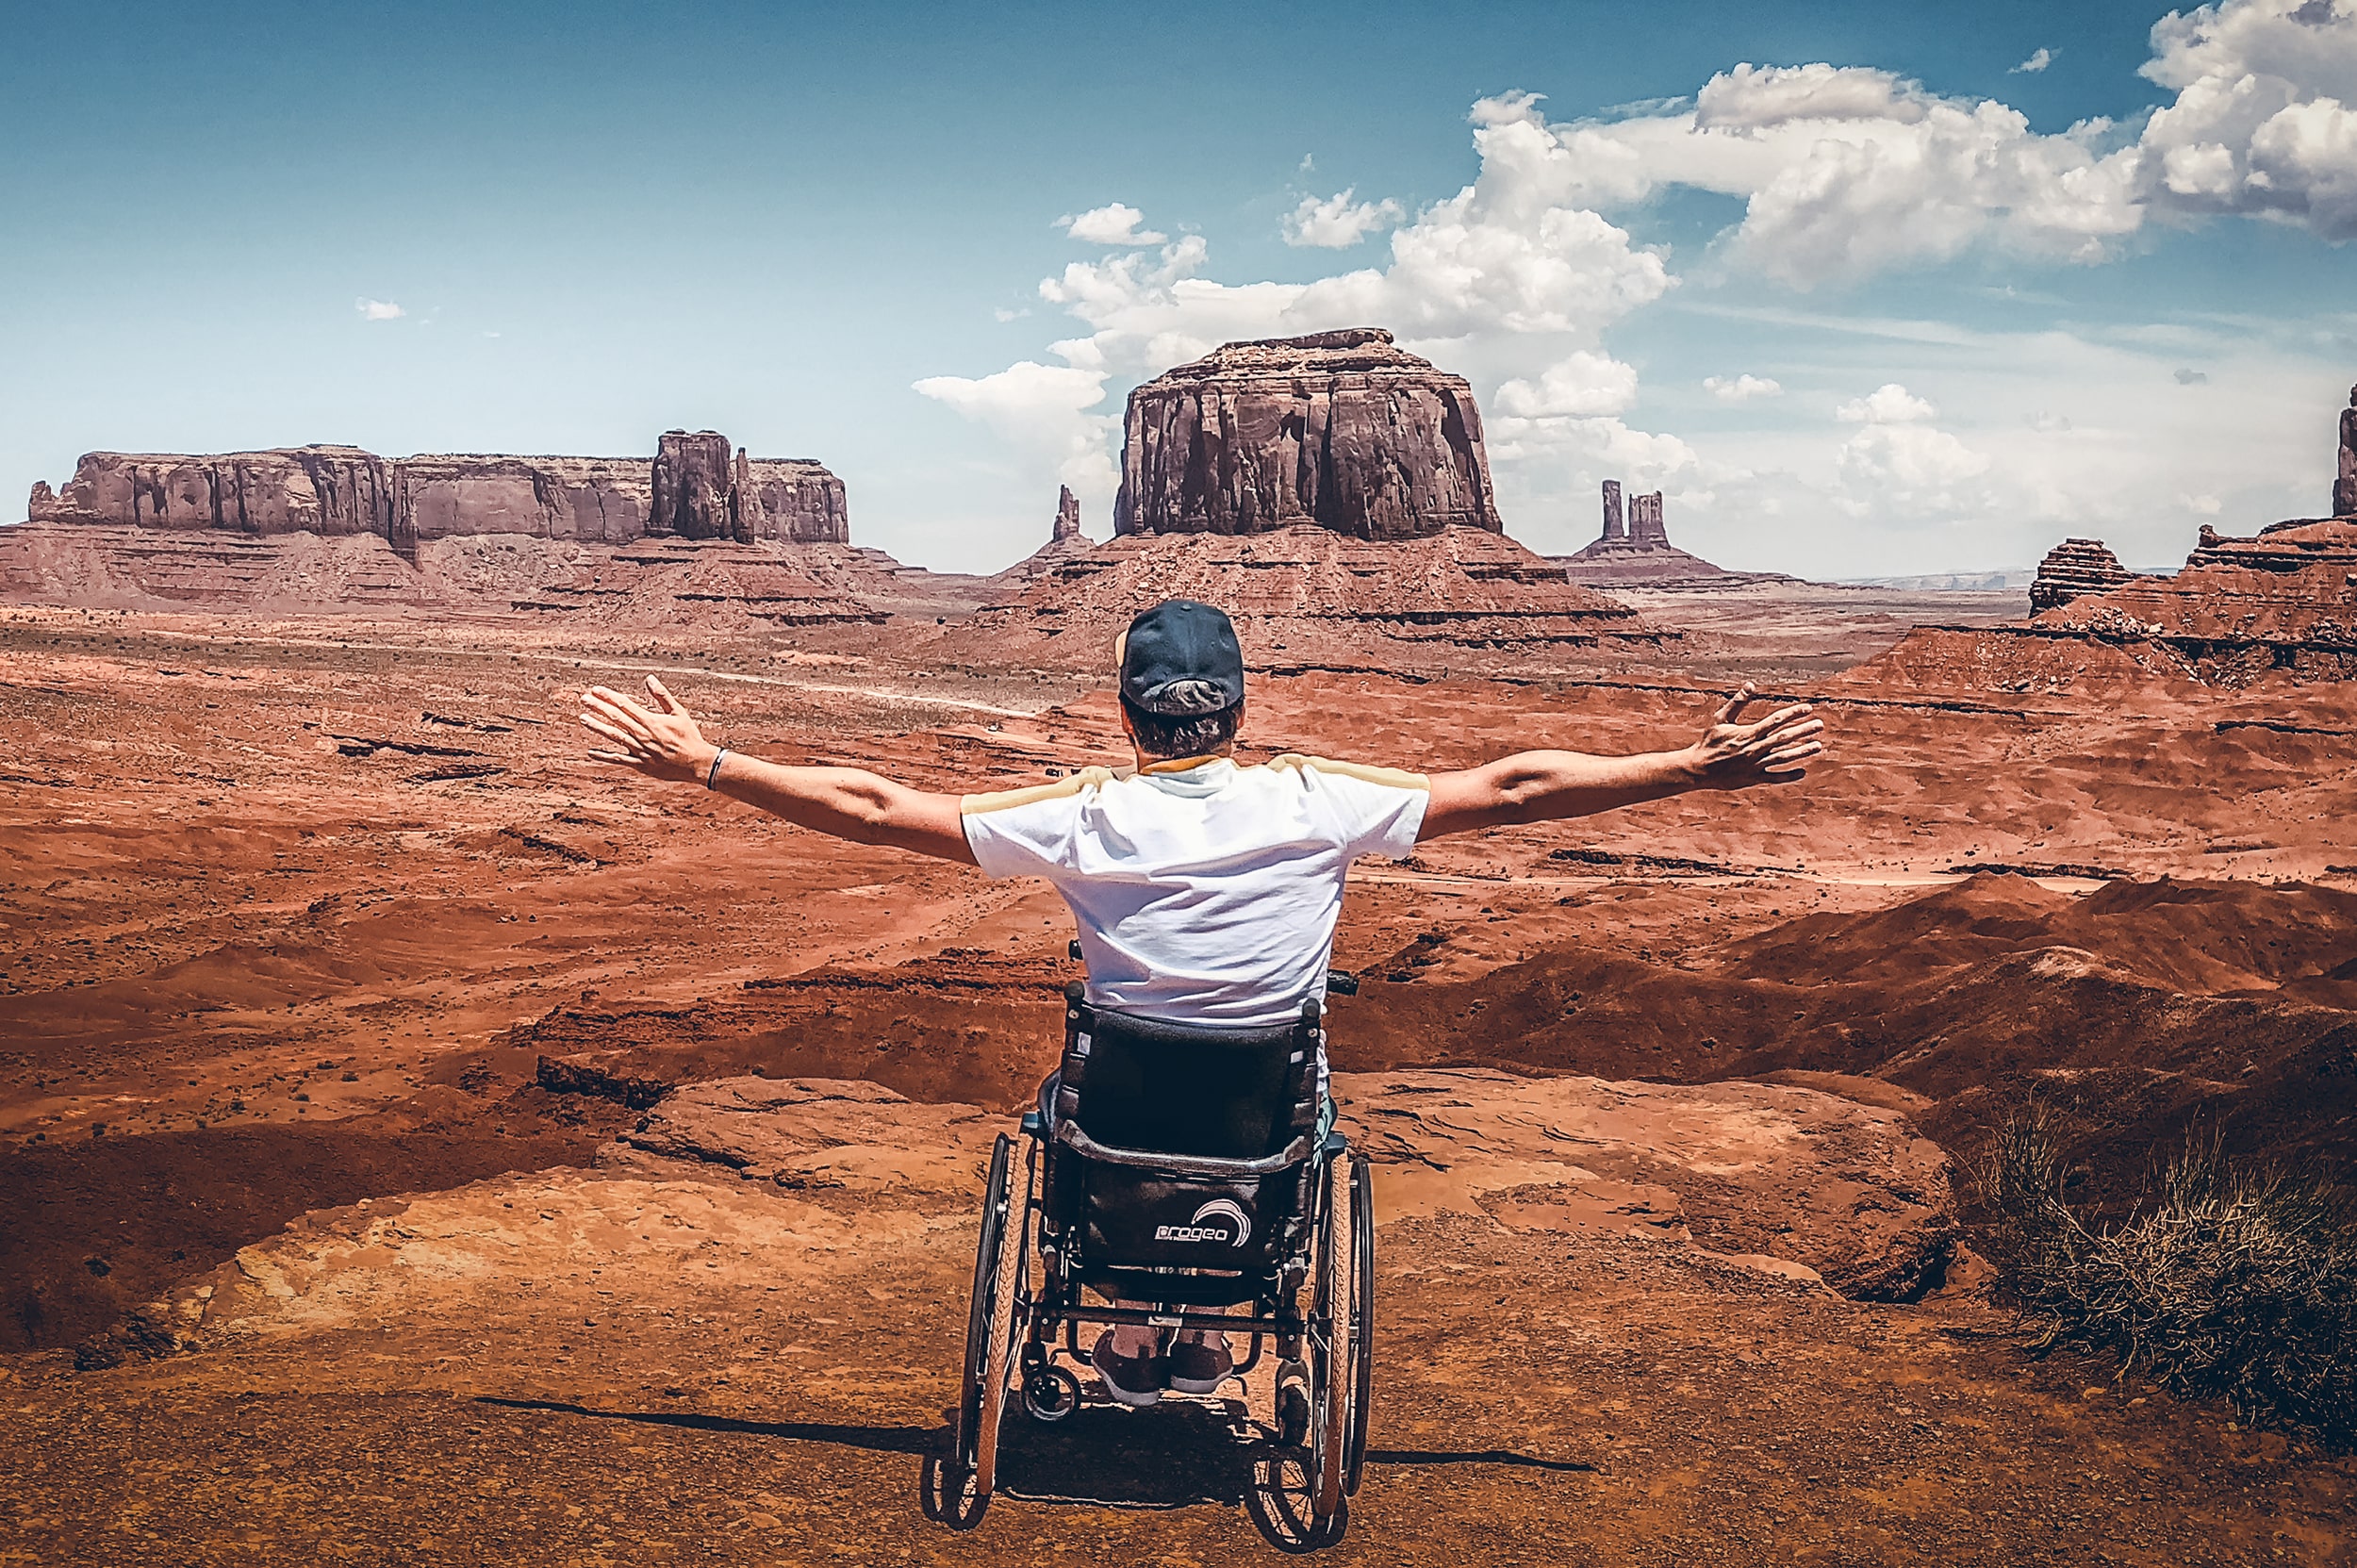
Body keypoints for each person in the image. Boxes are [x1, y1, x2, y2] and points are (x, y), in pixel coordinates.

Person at [579, 598, 1825, 1406]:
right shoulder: (1313, 801)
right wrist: (1686, 770)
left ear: (1126, 715)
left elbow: (873, 809)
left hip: (1117, 1107)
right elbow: (1512, 788)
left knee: (1064, 1105)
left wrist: (711, 766)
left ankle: (1123, 1318)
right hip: (1265, 1114)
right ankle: (1203, 1324)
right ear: (1239, 708)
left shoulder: (1081, 815)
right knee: (1291, 1120)